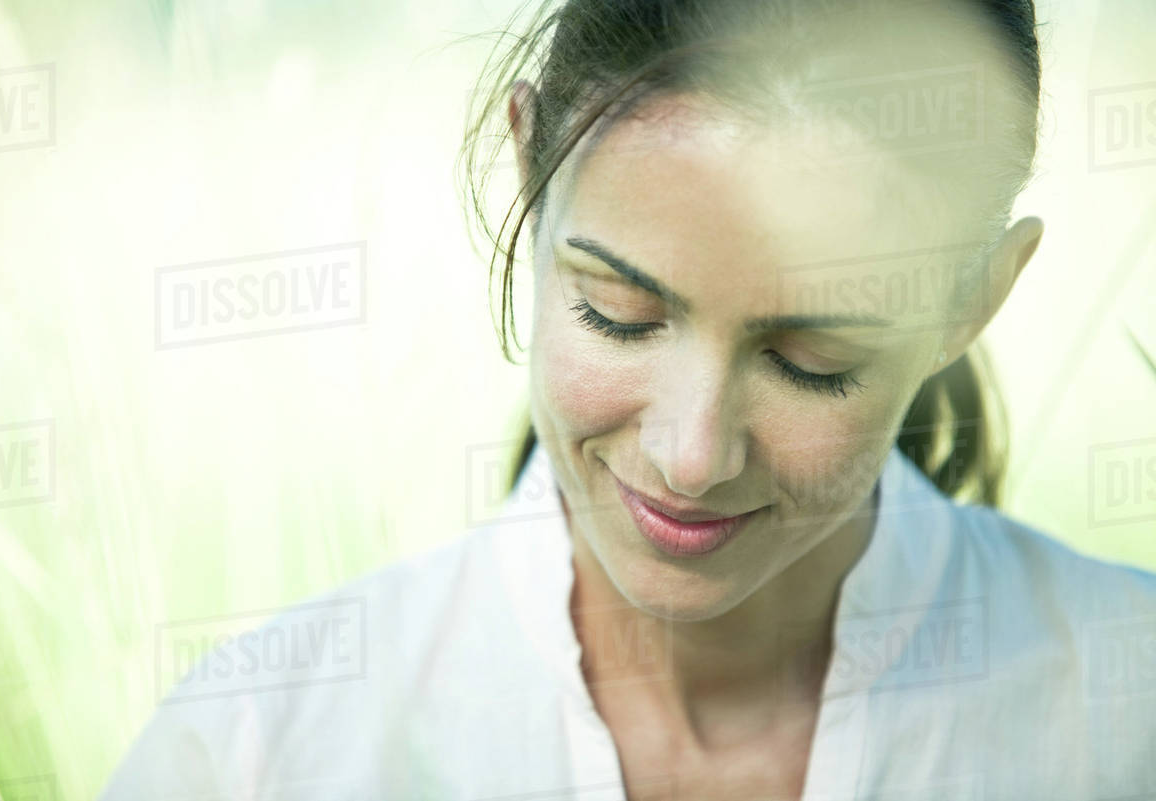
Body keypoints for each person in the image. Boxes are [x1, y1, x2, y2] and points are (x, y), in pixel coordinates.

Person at [99, 0, 1156, 799]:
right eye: (617, 313)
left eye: (813, 357)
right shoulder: (262, 749)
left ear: (974, 299)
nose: (692, 457)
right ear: (528, 168)